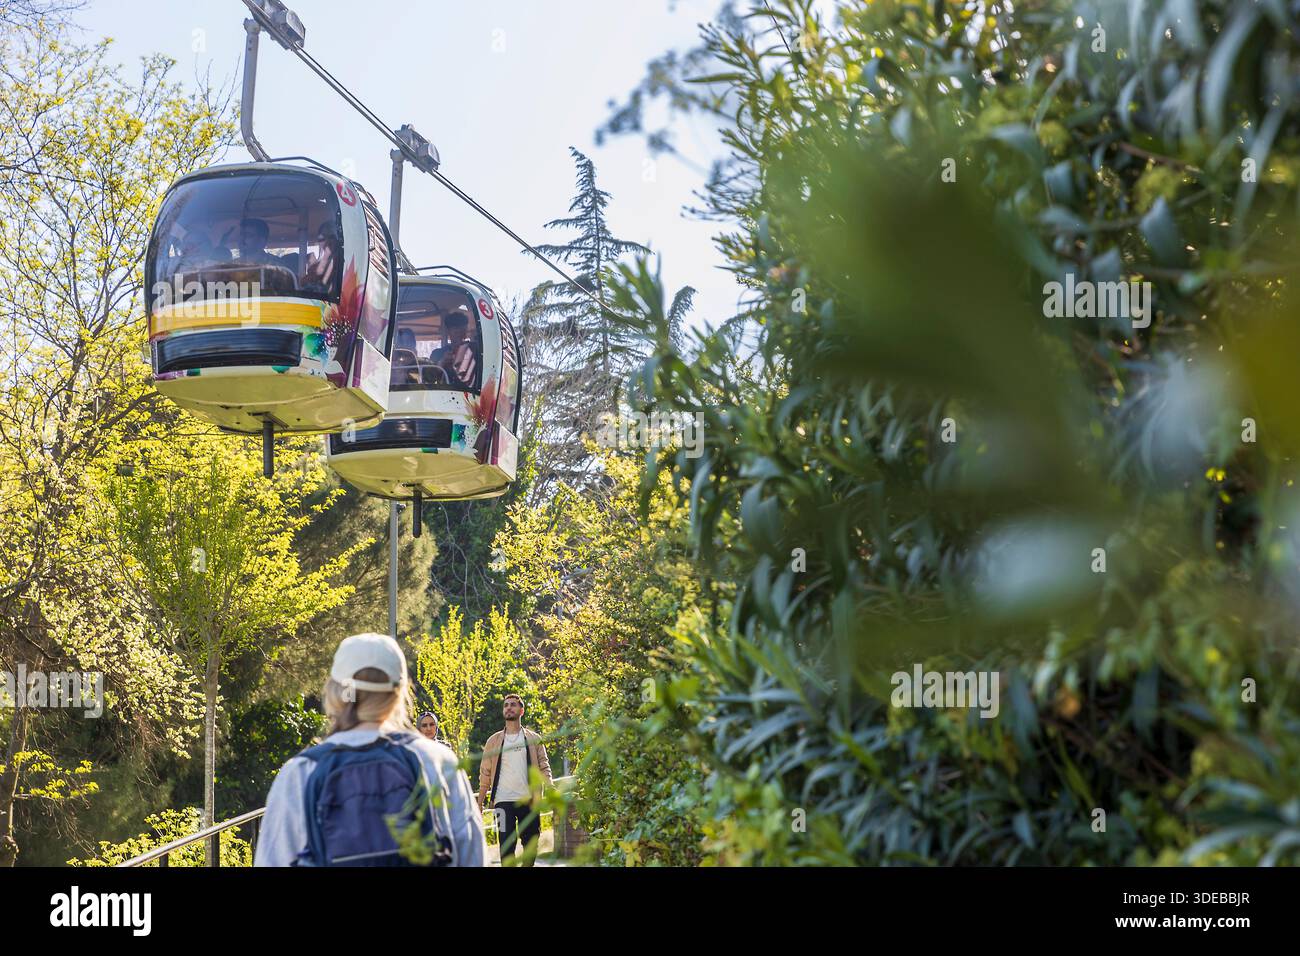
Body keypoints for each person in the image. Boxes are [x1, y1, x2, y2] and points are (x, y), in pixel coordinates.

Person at [255, 633, 485, 867]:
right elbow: (472, 857)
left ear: (336, 691)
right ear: (400, 693)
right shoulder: (437, 761)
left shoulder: (301, 772)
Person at [478, 693, 552, 867]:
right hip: (503, 801)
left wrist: (551, 786)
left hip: (530, 800)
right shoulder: (493, 741)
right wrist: (480, 802)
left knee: (531, 843)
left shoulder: (534, 739)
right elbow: (485, 774)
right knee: (506, 845)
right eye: (506, 705)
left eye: (513, 704)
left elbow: (544, 765)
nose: (508, 707)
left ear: (521, 710)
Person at [431, 312, 478, 389]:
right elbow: (428, 380)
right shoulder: (437, 354)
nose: (459, 334)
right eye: (455, 331)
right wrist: (441, 363)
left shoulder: (475, 351)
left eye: (462, 331)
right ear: (448, 331)